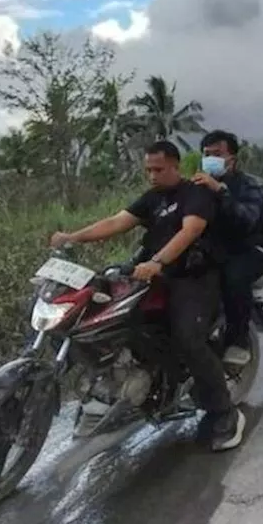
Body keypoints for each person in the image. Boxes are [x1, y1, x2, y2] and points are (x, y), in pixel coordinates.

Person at [48, 140, 246, 452]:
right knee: (109, 323)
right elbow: (116, 222)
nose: (152, 175)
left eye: (158, 169)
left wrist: (158, 262)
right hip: (154, 276)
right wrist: (73, 237)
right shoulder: (152, 198)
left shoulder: (195, 193)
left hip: (193, 278)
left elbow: (190, 231)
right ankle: (115, 392)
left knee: (188, 338)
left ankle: (224, 411)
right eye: (148, 170)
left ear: (175, 166)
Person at [192, 130, 263, 367]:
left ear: (232, 159)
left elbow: (248, 219)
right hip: (212, 250)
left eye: (217, 154)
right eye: (207, 154)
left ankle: (239, 341)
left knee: (233, 277)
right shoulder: (197, 185)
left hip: (247, 250)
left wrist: (221, 191)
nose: (210, 159)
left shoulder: (248, 186)